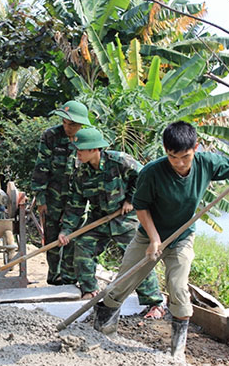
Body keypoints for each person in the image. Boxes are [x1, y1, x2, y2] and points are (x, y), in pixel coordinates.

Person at [92, 121, 229, 358]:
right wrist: (153, 239)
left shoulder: (206, 163)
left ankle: (176, 352)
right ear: (165, 150)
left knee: (179, 289)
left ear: (196, 148)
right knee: (122, 283)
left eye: (185, 157)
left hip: (181, 237)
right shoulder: (151, 172)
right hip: (148, 237)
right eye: (173, 157)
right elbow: (141, 207)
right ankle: (102, 332)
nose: (179, 163)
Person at [57, 128, 165, 319]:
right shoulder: (81, 173)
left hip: (127, 218)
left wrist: (131, 199)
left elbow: (145, 178)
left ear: (94, 149)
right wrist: (66, 230)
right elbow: (76, 204)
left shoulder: (120, 161)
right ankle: (90, 291)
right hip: (100, 218)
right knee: (82, 245)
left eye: (81, 149)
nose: (78, 153)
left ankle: (154, 303)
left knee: (140, 257)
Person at [31, 101, 90, 285]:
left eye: (71, 124)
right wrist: (41, 198)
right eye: (64, 122)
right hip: (53, 196)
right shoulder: (51, 136)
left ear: (81, 124)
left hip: (78, 198)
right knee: (52, 235)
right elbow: (41, 167)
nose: (67, 127)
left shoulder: (88, 138)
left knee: (73, 236)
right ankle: (54, 277)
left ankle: (69, 277)